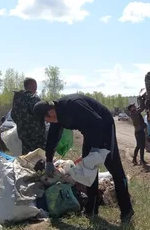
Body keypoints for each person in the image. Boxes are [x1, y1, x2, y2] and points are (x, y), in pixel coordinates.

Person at [33, 94, 134, 223]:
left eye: (46, 119)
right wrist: (48, 160)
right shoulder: (57, 116)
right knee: (88, 170)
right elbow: (53, 137)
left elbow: (97, 122)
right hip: (89, 132)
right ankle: (91, 208)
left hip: (105, 127)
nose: (47, 122)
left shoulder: (74, 105)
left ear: (50, 112)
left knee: (114, 168)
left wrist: (95, 150)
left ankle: (126, 210)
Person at [11, 78, 46, 155]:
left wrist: (21, 124)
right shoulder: (33, 98)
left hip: (23, 135)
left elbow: (13, 115)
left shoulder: (17, 98)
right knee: (40, 158)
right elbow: (42, 114)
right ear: (33, 85)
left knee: (26, 158)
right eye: (35, 85)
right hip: (37, 136)